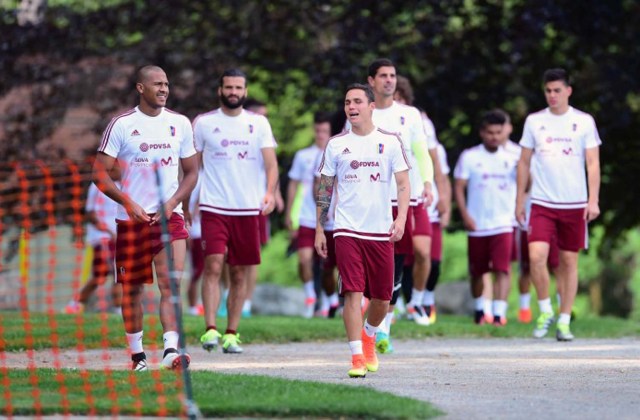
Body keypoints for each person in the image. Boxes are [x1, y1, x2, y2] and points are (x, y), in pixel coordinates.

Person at [93, 65, 198, 371]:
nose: (164, 89)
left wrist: (175, 202)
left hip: (169, 218)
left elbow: (192, 172)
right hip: (131, 223)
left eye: (166, 84)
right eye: (157, 84)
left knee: (171, 285)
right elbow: (98, 173)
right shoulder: (122, 125)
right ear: (141, 88)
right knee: (133, 290)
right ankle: (138, 356)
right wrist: (127, 202)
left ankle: (170, 351)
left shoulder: (180, 123)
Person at [316, 83, 410, 378]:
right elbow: (325, 190)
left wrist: (402, 218)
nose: (351, 107)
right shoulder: (336, 145)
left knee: (383, 298)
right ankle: (357, 357)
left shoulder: (391, 142)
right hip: (346, 230)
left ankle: (370, 335)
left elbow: (404, 184)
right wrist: (321, 228)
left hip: (380, 231)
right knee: (352, 293)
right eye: (347, 102)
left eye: (357, 101)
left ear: (371, 106)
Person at [194, 68, 278, 354]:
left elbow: (271, 165)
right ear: (220, 90)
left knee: (239, 273)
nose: (233, 92)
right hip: (214, 206)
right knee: (213, 264)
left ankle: (231, 333)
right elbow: (193, 167)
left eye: (238, 88)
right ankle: (209, 329)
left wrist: (269, 192)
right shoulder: (204, 123)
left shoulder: (259, 123)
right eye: (228, 87)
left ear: (245, 91)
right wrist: (188, 202)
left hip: (247, 209)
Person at [359, 60, 440, 356]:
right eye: (383, 76)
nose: (389, 80)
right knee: (380, 265)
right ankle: (377, 328)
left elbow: (422, 152)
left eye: (392, 75)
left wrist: (429, 183)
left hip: (410, 197)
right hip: (375, 199)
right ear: (372, 81)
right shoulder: (361, 111)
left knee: (413, 255)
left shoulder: (410, 115)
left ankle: (388, 324)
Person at [516, 68, 601, 341]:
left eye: (557, 90)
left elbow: (593, 163)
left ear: (568, 91)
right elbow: (524, 162)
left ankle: (564, 320)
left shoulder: (584, 121)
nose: (552, 96)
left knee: (568, 262)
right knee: (536, 257)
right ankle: (545, 310)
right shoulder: (534, 121)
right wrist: (520, 199)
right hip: (541, 201)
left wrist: (593, 199)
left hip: (575, 203)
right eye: (548, 91)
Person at [393, 74, 452, 324]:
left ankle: (416, 301)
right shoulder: (372, 116)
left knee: (423, 253)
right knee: (393, 255)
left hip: (416, 196)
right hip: (390, 197)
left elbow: (434, 160)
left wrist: (442, 195)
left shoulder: (417, 120)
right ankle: (390, 305)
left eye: (399, 98)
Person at [454, 110, 520, 325]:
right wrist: (465, 215)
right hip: (478, 224)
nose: (494, 137)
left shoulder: (514, 157)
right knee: (478, 272)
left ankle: (499, 314)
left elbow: (527, 186)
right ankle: (480, 309)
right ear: (482, 133)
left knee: (502, 269)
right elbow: (459, 188)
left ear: (504, 132)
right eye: (490, 132)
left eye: (498, 132)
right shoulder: (470, 156)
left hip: (503, 223)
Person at [285, 111, 335, 317]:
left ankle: (330, 301)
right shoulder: (303, 156)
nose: (321, 134)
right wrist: (289, 212)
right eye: (318, 130)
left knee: (328, 266)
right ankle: (310, 296)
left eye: (325, 131)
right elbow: (294, 185)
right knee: (304, 259)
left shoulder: (338, 153)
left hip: (332, 220)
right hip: (307, 216)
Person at [241, 97, 285, 318]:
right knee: (224, 256)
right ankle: (230, 293)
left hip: (257, 204)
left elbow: (272, 167)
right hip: (229, 202)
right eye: (261, 115)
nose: (264, 120)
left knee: (252, 257)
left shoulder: (264, 136)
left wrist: (275, 194)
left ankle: (246, 303)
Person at [64, 163, 122, 314]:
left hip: (119, 238)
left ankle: (118, 309)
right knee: (105, 275)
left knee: (114, 274)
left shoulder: (123, 186)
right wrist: (109, 232)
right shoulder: (97, 186)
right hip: (102, 238)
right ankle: (75, 304)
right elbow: (90, 214)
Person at [186, 170, 205, 316]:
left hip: (203, 229)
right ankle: (192, 306)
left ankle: (199, 304)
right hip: (196, 230)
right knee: (197, 270)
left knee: (206, 269)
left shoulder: (206, 174)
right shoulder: (194, 175)